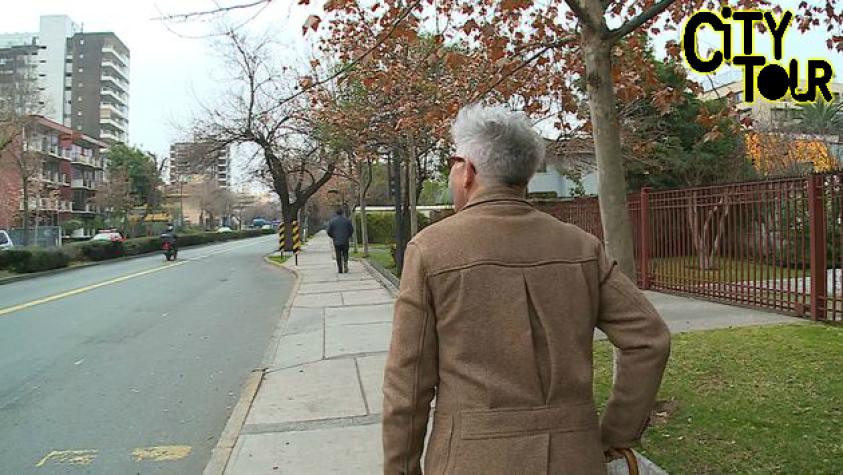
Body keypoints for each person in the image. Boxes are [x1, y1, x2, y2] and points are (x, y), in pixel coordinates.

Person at [382, 104, 671, 474]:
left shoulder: (430, 250)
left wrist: (400, 469)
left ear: (469, 171)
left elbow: (407, 386)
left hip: (468, 461)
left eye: (454, 162)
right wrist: (614, 436)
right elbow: (650, 339)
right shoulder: (581, 247)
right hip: (574, 458)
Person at [326, 208, 354, 273]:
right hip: (345, 240)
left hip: (336, 241)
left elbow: (329, 231)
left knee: (338, 255)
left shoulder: (332, 221)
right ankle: (345, 262)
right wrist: (348, 236)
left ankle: (340, 268)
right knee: (345, 252)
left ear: (336, 213)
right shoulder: (347, 221)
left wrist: (333, 237)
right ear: (343, 213)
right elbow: (351, 230)